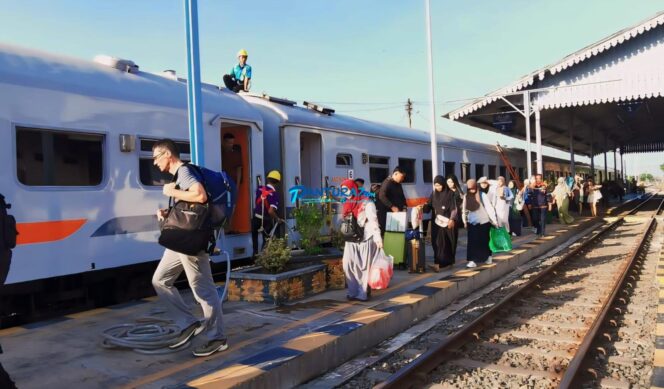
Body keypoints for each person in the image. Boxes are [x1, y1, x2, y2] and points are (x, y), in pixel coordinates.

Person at [151, 139, 228, 357]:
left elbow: (200, 195)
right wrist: (169, 214)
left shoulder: (184, 172)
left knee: (203, 290)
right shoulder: (180, 175)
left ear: (167, 154)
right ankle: (189, 323)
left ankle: (217, 338)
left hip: (191, 239)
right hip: (181, 238)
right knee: (160, 280)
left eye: (156, 157)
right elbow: (192, 206)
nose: (155, 163)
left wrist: (171, 192)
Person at [340, 179, 383, 301]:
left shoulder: (367, 202)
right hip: (351, 238)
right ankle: (352, 291)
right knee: (348, 264)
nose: (345, 192)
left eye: (347, 190)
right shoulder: (347, 202)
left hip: (365, 237)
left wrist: (378, 238)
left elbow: (374, 220)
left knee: (363, 267)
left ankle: (362, 293)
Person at [420, 175, 459, 271]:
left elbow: (454, 208)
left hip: (447, 223)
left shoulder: (450, 194)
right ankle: (438, 263)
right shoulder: (434, 194)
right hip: (436, 223)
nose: (438, 187)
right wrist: (422, 207)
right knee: (436, 243)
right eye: (436, 185)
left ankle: (445, 264)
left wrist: (452, 219)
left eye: (439, 185)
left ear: (443, 184)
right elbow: (429, 206)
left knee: (446, 243)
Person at [462, 177, 497, 268]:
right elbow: (464, 210)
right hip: (472, 222)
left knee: (484, 241)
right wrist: (464, 221)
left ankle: (488, 256)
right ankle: (472, 260)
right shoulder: (466, 196)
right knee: (472, 242)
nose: (472, 190)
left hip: (484, 222)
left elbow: (489, 208)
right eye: (469, 188)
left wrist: (494, 221)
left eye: (473, 187)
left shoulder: (482, 195)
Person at [252, 170, 281, 256]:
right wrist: (277, 219)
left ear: (268, 179)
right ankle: (264, 257)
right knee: (267, 239)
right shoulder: (274, 195)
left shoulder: (259, 189)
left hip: (256, 218)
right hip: (266, 220)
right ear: (277, 182)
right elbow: (270, 211)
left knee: (254, 237)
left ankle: (255, 254)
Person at [377, 167, 408, 233]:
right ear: (396, 174)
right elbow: (381, 196)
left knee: (398, 233)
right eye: (402, 176)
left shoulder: (398, 184)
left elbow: (402, 196)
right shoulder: (387, 183)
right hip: (387, 215)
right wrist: (392, 206)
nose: (403, 179)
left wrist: (404, 207)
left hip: (397, 215)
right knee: (389, 234)